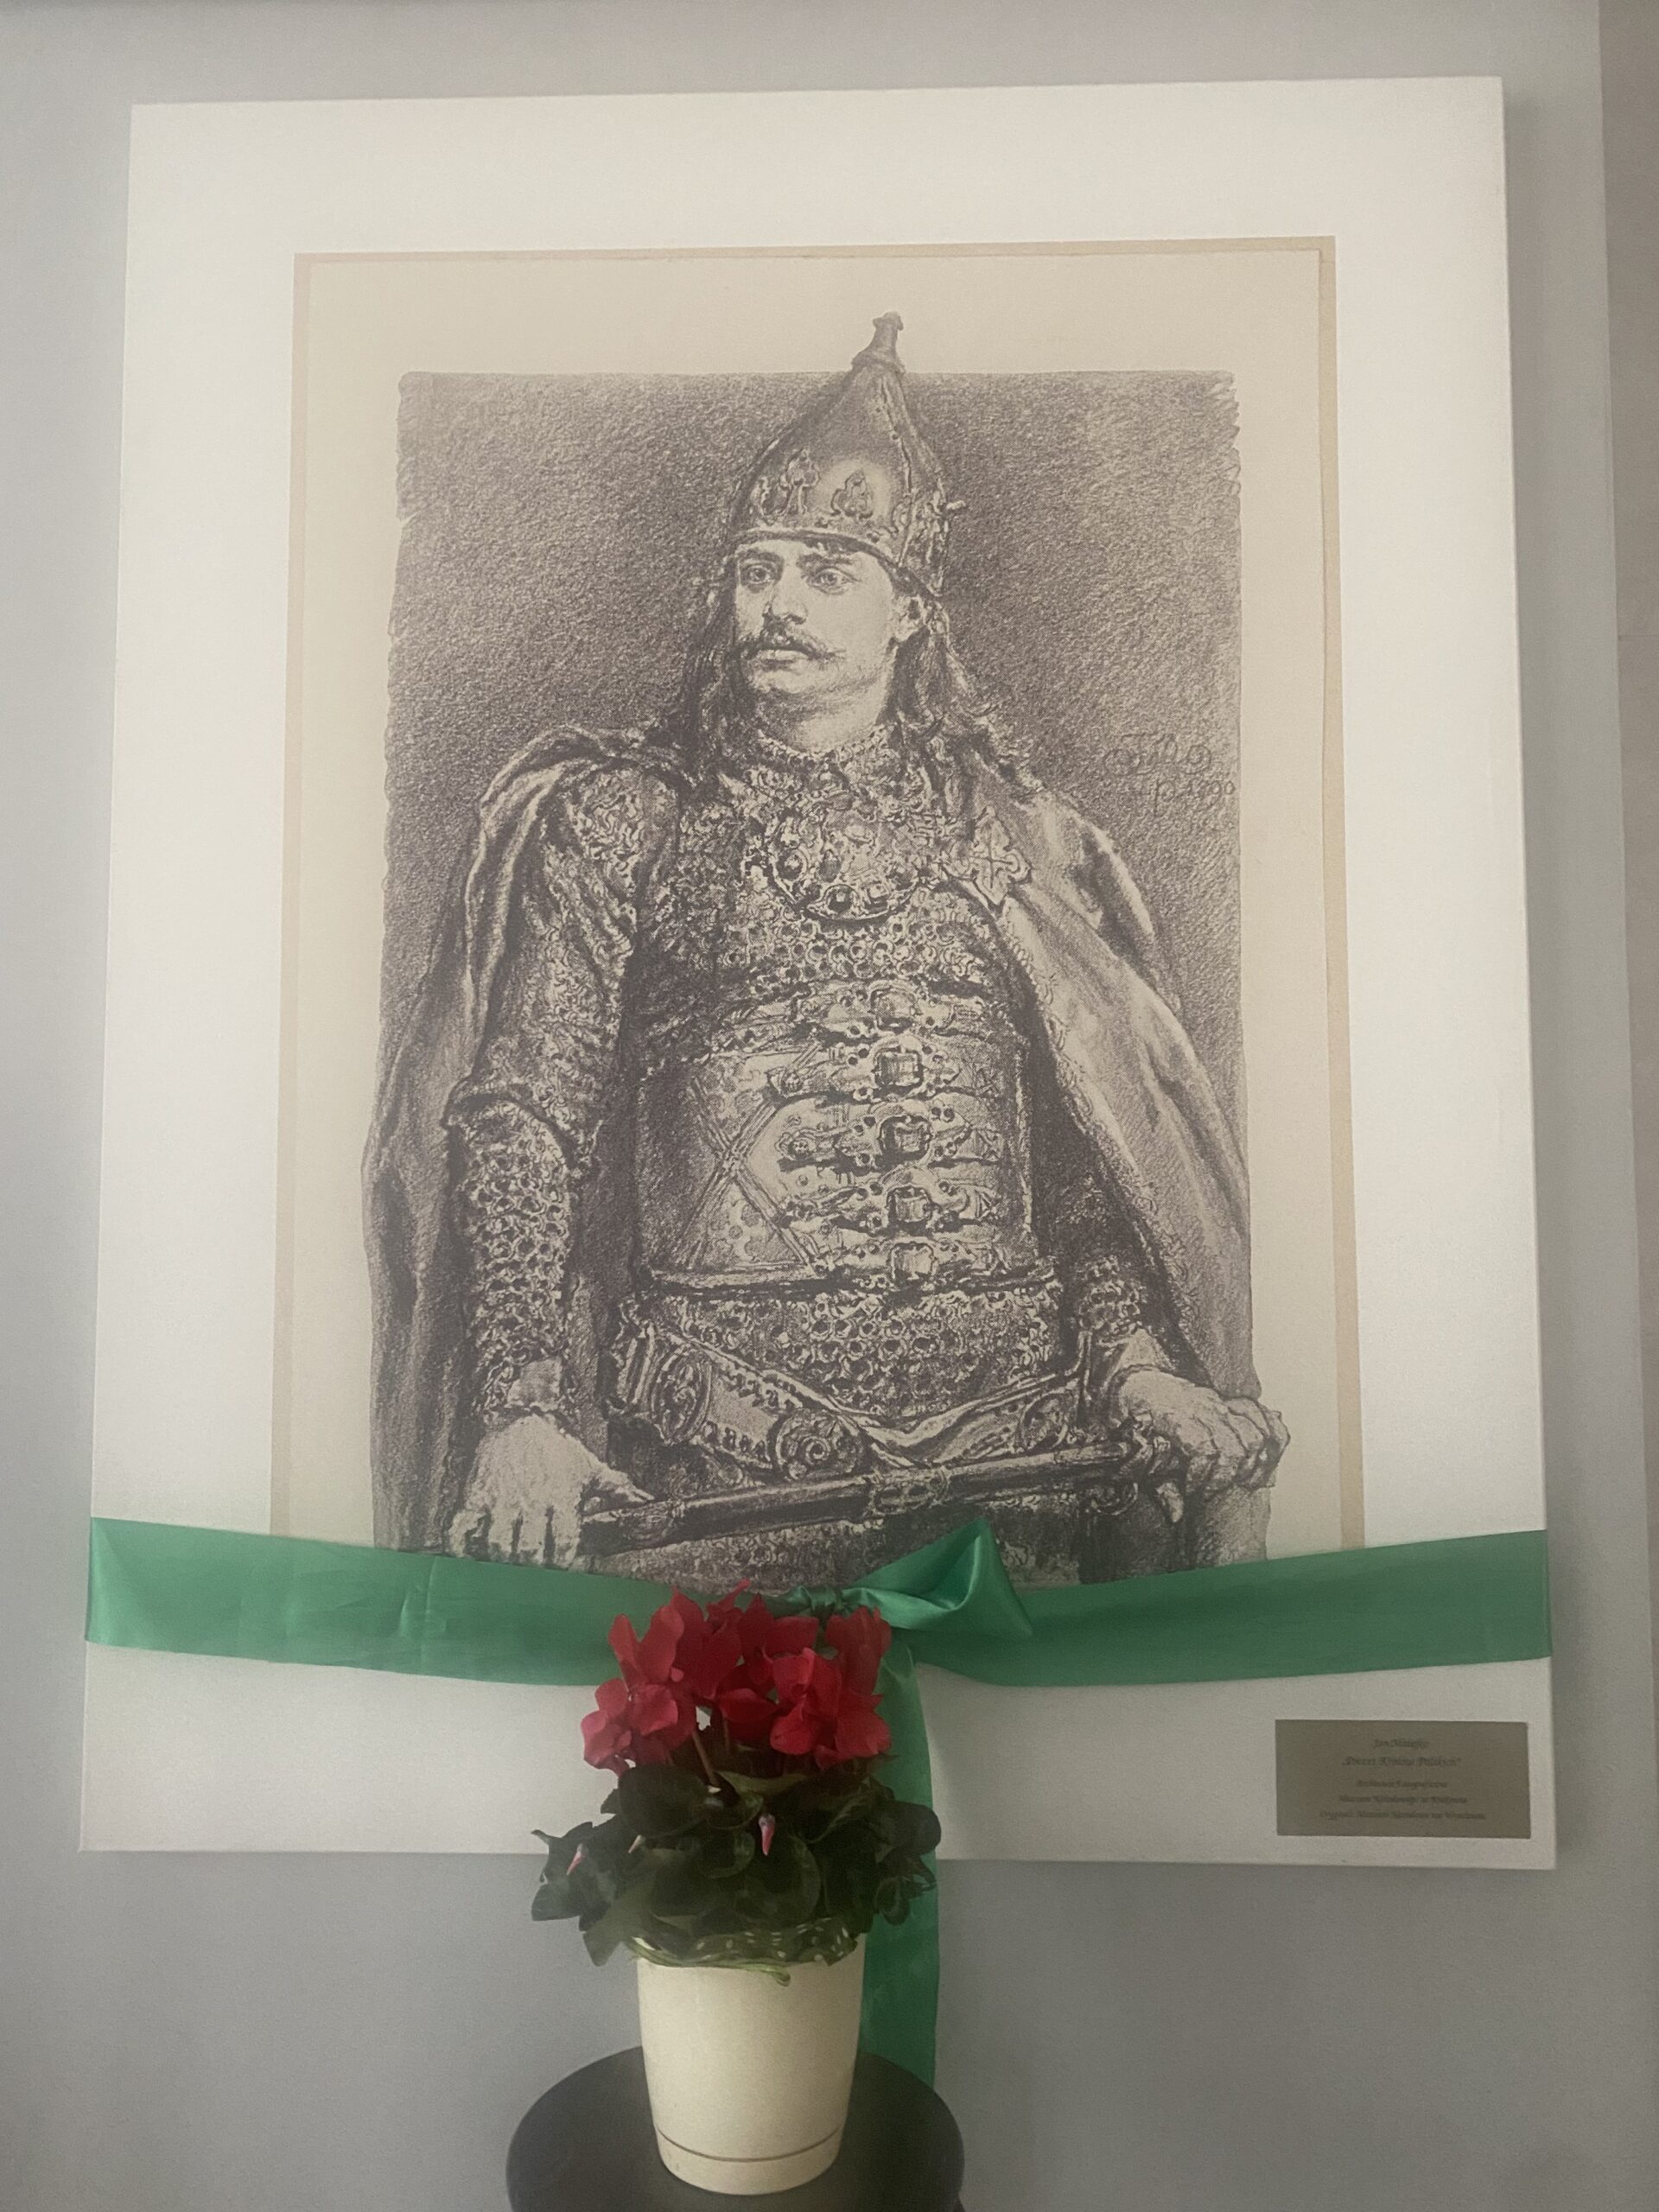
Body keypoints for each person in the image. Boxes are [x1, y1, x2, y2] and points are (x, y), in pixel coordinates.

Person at [365, 315, 1287, 1588]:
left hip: (1021, 1485)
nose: (779, 605)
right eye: (757, 571)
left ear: (909, 609)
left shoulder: (1023, 839)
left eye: (825, 572)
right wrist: (521, 1406)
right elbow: (524, 1116)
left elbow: (1093, 1160)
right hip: (715, 1482)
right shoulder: (625, 821)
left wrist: (1135, 1365)